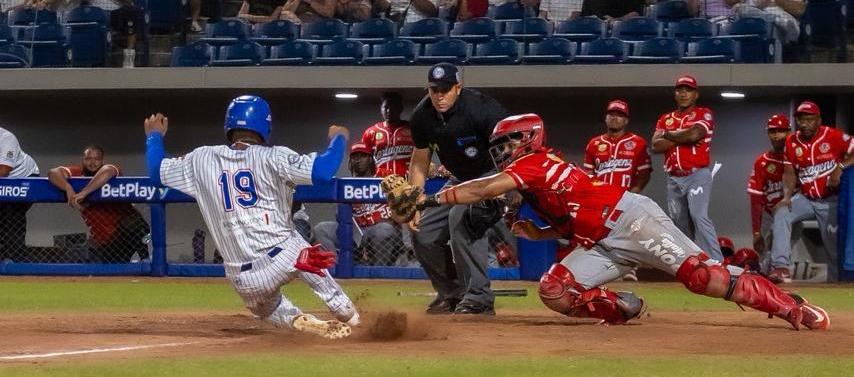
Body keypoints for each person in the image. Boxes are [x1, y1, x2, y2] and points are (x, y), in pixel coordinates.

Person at [417, 113, 829, 330]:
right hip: (603, 242)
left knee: (705, 279)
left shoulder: (537, 161)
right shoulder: (532, 181)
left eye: (507, 142)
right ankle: (625, 309)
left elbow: (483, 188)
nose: (503, 150)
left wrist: (428, 198)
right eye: (499, 145)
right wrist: (539, 231)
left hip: (632, 222)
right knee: (555, 290)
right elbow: (570, 223)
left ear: (528, 138)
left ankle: (792, 308)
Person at [144, 95, 359, 339]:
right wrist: (339, 138)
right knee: (306, 254)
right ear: (265, 126)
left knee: (268, 309)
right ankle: (351, 317)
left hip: (242, 277)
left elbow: (155, 172)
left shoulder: (200, 158)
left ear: (229, 126)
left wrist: (154, 136)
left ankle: (298, 320)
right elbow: (323, 172)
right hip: (283, 255)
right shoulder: (273, 156)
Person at [406, 62, 508, 315]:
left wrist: (506, 187)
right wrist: (414, 201)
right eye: (434, 90)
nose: (439, 96)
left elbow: (510, 150)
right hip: (459, 179)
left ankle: (479, 298)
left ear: (458, 87)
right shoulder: (422, 116)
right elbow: (420, 161)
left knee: (462, 218)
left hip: (491, 178)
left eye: (446, 89)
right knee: (423, 231)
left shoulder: (482, 109)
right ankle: (452, 294)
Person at [769, 101, 854, 283]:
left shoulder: (833, 135)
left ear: (818, 120)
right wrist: (786, 197)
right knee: (782, 212)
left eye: (809, 119)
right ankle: (781, 267)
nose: (805, 123)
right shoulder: (791, 141)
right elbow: (789, 173)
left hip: (831, 199)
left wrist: (840, 166)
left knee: (833, 248)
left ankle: (836, 283)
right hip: (806, 198)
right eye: (801, 119)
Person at [651, 75, 723, 261]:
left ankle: (718, 263)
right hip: (673, 177)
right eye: (680, 90)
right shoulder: (665, 118)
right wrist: (680, 136)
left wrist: (667, 135)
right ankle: (690, 262)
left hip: (696, 174)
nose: (683, 93)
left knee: (699, 216)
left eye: (688, 90)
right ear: (675, 93)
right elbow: (655, 146)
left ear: (696, 94)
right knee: (678, 223)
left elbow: (694, 135)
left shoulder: (703, 113)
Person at [47, 145, 151, 263]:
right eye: (88, 159)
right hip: (105, 243)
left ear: (102, 160)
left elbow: (108, 170)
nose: (92, 162)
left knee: (133, 223)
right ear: (83, 160)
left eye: (96, 159)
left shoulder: (111, 172)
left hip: (126, 234)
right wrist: (68, 188)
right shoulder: (78, 173)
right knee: (91, 264)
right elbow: (53, 173)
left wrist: (84, 193)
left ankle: (146, 260)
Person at [313, 143, 406, 265]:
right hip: (356, 232)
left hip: (381, 229)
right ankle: (336, 268)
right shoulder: (347, 184)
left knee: (383, 229)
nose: (358, 160)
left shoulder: (385, 177)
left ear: (371, 159)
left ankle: (378, 272)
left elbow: (404, 204)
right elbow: (340, 216)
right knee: (321, 229)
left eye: (363, 156)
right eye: (354, 157)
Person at [746, 114, 800, 276]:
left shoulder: (797, 157)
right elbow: (755, 198)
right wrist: (756, 233)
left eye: (781, 131)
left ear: (789, 132)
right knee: (764, 256)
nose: (776, 135)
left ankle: (779, 276)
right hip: (768, 214)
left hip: (792, 213)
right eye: (772, 131)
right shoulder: (762, 161)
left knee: (781, 251)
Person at [583, 100, 651, 193]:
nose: (614, 118)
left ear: (626, 121)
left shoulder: (638, 142)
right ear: (606, 118)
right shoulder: (594, 143)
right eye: (611, 115)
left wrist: (631, 196)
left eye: (619, 115)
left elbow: (644, 174)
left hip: (625, 197)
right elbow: (588, 174)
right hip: (599, 196)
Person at [0, 126, 39, 262]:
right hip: (3, 183)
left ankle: (17, 261)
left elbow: (4, 170)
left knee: (11, 215)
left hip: (25, 177)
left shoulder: (6, 138)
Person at [361, 92, 414, 178]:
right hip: (379, 182)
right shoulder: (371, 132)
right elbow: (363, 161)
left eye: (394, 107)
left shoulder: (413, 130)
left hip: (407, 181)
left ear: (400, 109)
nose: (389, 111)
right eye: (386, 107)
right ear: (381, 109)